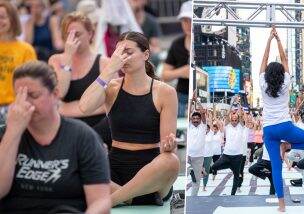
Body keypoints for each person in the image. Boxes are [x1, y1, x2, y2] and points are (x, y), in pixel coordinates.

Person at [79, 31, 180, 206]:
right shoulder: (112, 87)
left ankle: (113, 199)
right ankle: (132, 197)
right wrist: (110, 69)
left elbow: (166, 148)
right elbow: (85, 106)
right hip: (116, 164)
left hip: (151, 165)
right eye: (119, 52)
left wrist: (169, 146)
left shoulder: (165, 92)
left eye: (129, 52)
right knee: (76, 165)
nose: (123, 57)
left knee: (171, 161)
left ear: (146, 55)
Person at [0, 61, 111, 213]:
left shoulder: (83, 137)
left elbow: (101, 201)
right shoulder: (5, 134)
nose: (25, 103)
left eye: (33, 95)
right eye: (19, 96)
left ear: (55, 94)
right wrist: (13, 131)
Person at [259, 26, 304, 212]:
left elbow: (263, 60)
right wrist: (278, 40)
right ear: (281, 75)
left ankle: (281, 206)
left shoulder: (262, 84)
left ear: (268, 75)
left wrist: (269, 41)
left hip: (269, 131)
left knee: (276, 168)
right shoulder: (286, 83)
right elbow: (285, 59)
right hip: (285, 127)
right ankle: (288, 146)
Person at [48, 12, 111, 148]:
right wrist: (68, 58)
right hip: (65, 126)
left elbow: (111, 104)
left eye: (77, 34)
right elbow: (60, 93)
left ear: (90, 34)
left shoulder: (105, 63)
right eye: (68, 34)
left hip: (98, 126)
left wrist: (67, 108)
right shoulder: (56, 60)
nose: (72, 39)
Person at [0, 0, 37, 126]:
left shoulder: (26, 50)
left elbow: (33, 83)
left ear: (13, 19)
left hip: (14, 108)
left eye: (2, 17)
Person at [162, 1, 191, 117]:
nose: (188, 25)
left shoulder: (207, 43)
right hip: (181, 97)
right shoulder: (177, 44)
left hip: (203, 97)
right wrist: (181, 72)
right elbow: (165, 74)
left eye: (191, 20)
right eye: (185, 21)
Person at [211, 106, 248, 195]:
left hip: (238, 156)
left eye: (236, 120)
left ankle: (233, 194)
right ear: (230, 120)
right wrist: (231, 105)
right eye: (233, 120)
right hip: (226, 154)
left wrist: (239, 106)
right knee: (214, 167)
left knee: (236, 176)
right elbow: (227, 116)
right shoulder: (227, 126)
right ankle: (229, 166)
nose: (234, 121)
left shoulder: (241, 126)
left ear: (238, 120)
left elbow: (242, 118)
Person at [187, 93, 207, 195]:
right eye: (193, 118)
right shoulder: (189, 125)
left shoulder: (203, 126)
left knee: (197, 180)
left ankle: (193, 198)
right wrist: (191, 100)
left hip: (198, 157)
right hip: (187, 156)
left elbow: (203, 112)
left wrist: (197, 101)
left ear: (200, 120)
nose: (195, 120)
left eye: (197, 119)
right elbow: (189, 113)